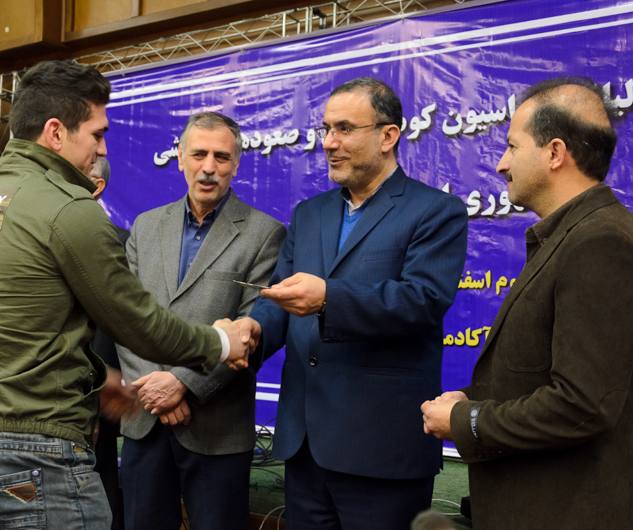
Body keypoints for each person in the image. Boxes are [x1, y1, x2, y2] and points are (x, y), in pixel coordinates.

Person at [0, 60, 252, 530]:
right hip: (36, 453)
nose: (102, 149)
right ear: (55, 133)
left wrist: (94, 377)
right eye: (97, 134)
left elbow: (8, 331)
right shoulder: (68, 208)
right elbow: (138, 323)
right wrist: (222, 343)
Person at [235, 77, 468, 530]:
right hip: (304, 446)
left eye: (344, 128)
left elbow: (422, 300)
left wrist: (328, 299)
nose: (328, 142)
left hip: (380, 449)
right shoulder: (309, 214)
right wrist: (254, 329)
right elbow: (282, 295)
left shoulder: (436, 211)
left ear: (388, 136)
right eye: (325, 129)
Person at [421, 77, 633, 530]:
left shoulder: (600, 243)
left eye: (512, 147)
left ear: (554, 153)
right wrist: (474, 398)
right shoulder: (572, 236)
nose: (501, 164)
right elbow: (543, 374)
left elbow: (583, 405)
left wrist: (466, 420)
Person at [117, 111, 286, 530]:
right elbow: (124, 317)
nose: (209, 167)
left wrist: (181, 384)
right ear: (180, 158)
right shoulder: (145, 226)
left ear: (236, 164)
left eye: (221, 157)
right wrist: (155, 391)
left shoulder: (265, 234)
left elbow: (251, 329)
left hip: (217, 429)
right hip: (144, 420)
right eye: (199, 154)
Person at [88, 157, 129, 530]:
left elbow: (122, 324)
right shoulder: (37, 233)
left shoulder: (124, 245)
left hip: (99, 392)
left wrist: (97, 387)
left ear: (96, 185)